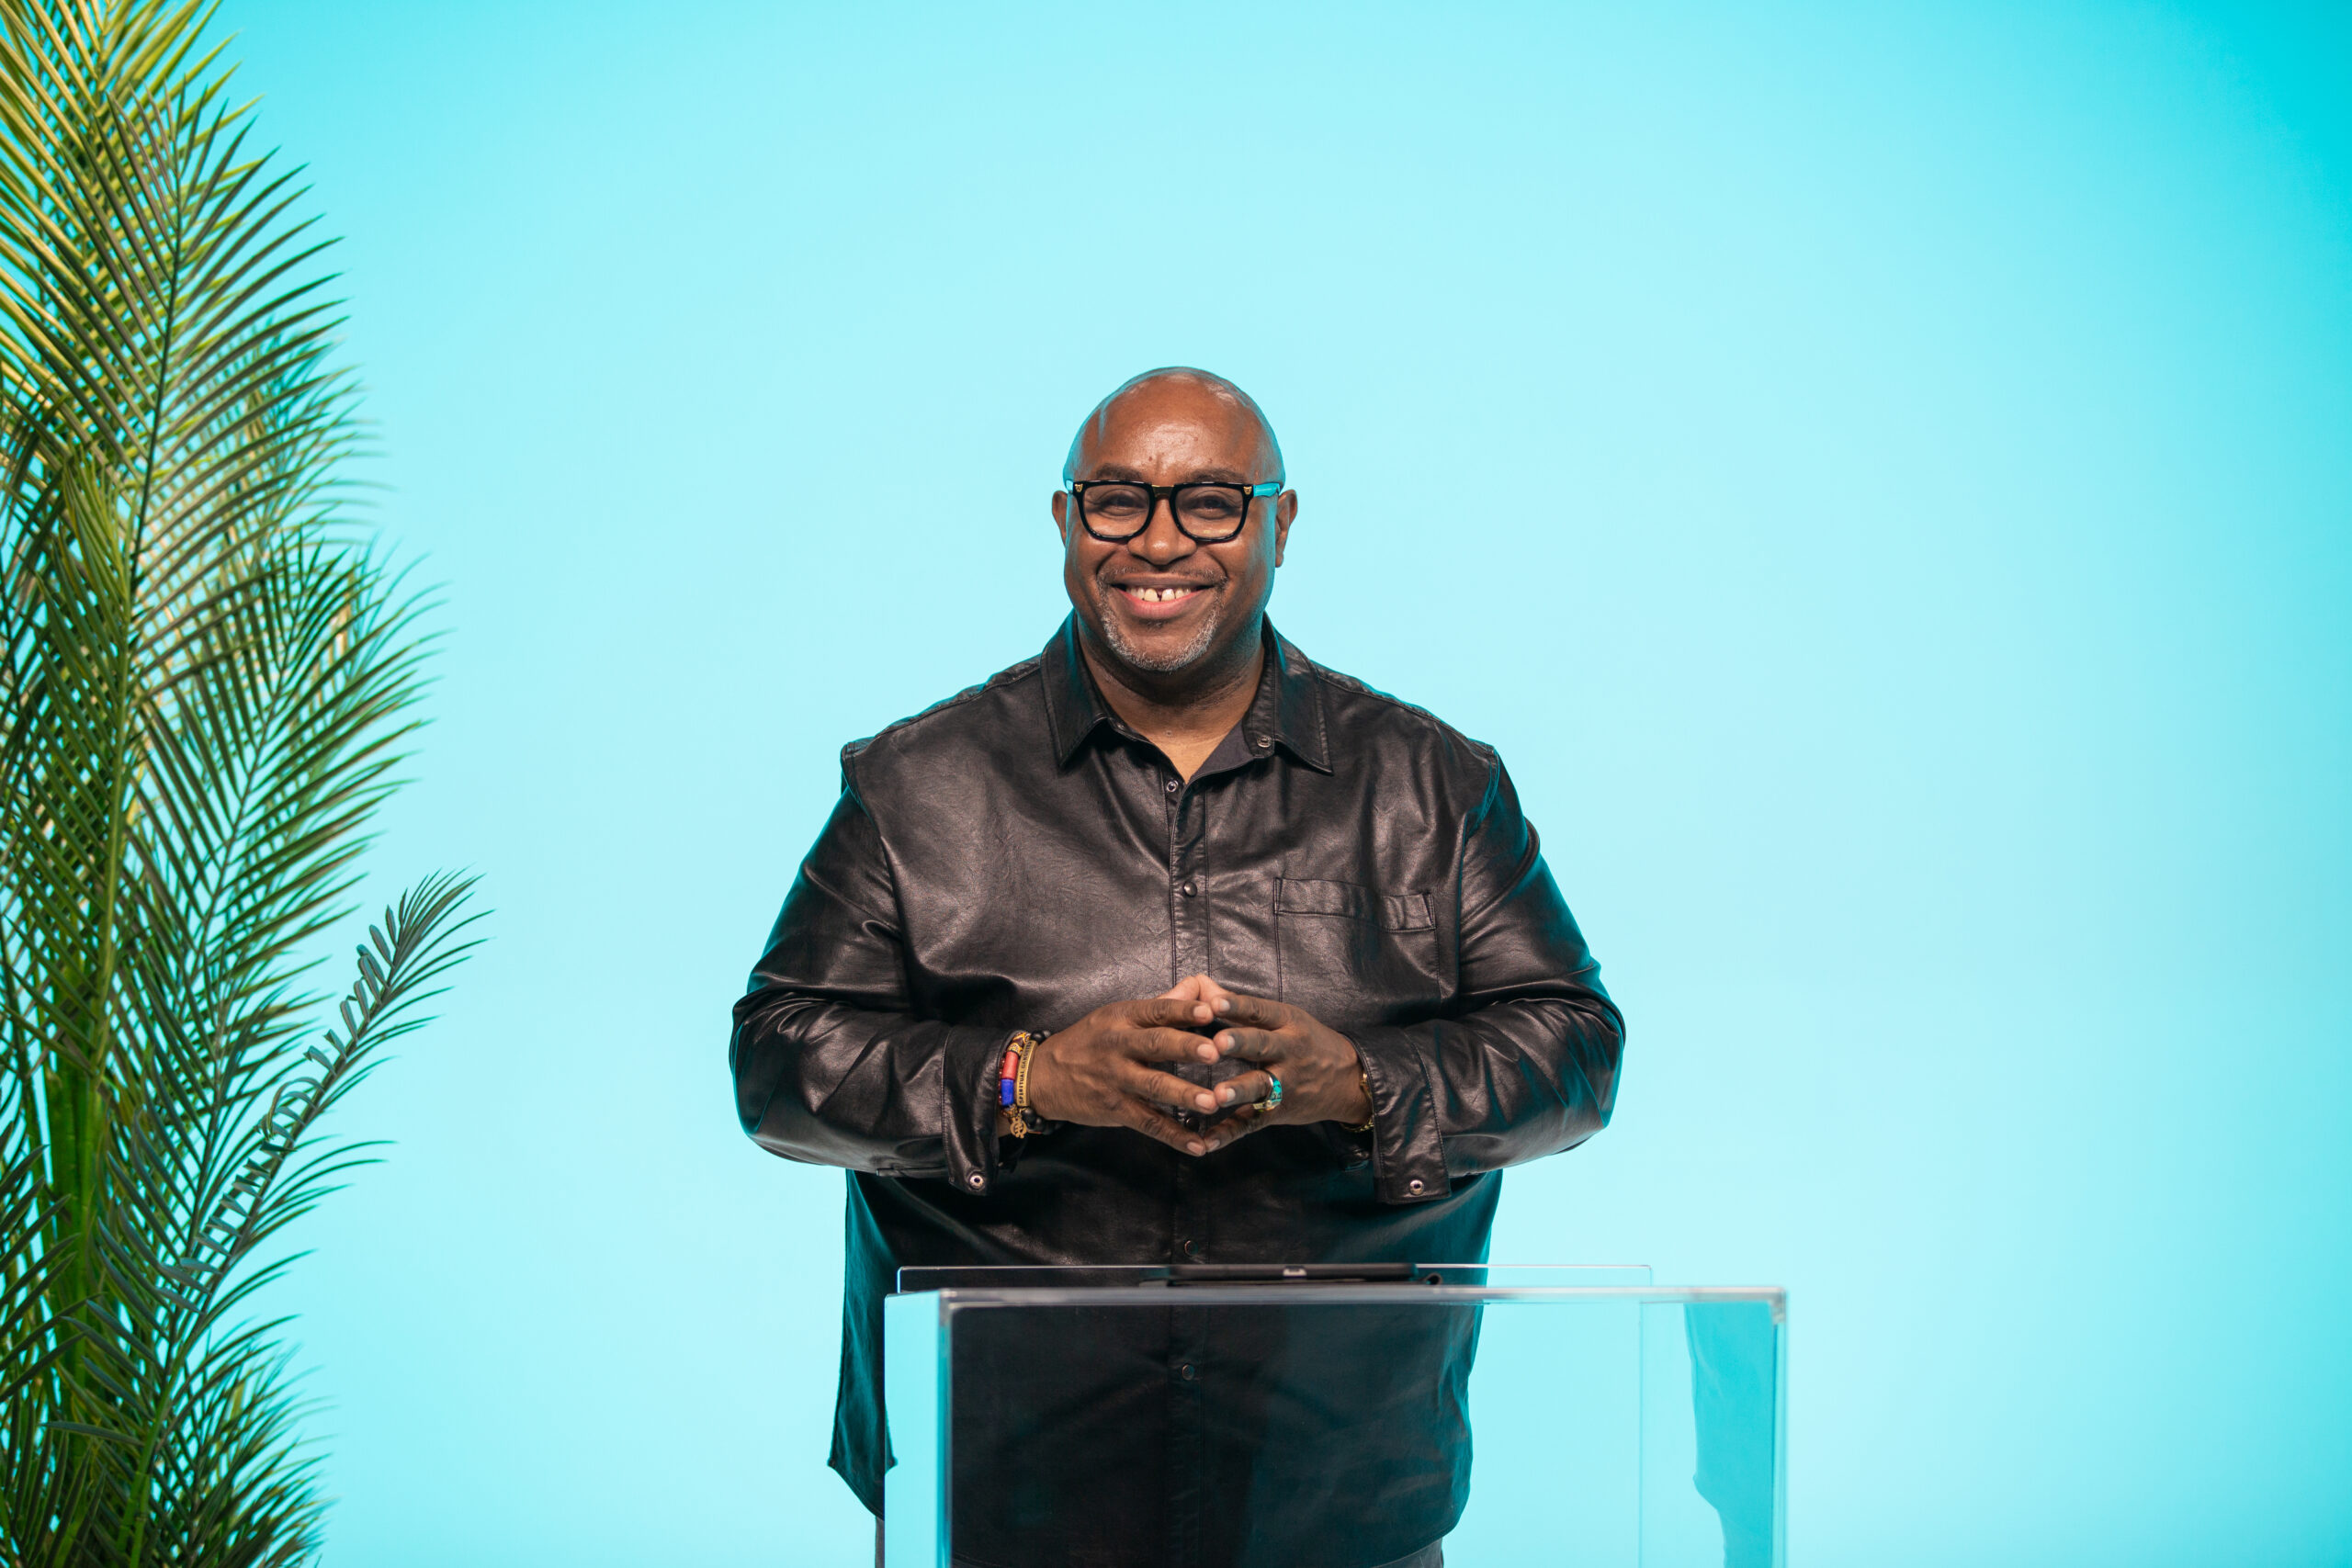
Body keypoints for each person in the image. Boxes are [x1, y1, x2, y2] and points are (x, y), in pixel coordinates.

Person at [731, 367, 1624, 1568]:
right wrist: (1027, 1084)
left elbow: (1573, 1051)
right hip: (1003, 1485)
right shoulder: (916, 786)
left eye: (1211, 502)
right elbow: (779, 1066)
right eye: (1116, 501)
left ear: (1279, 523)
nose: (1159, 540)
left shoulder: (1433, 785)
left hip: (1342, 1487)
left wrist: (1357, 1084)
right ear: (1063, 521)